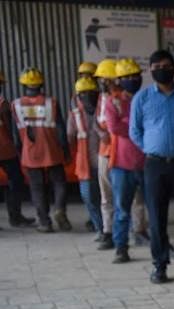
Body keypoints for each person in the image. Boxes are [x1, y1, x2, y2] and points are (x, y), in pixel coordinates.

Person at [131, 49, 174, 285]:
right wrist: (152, 148)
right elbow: (134, 131)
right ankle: (160, 265)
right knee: (156, 218)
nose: (161, 69)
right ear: (150, 70)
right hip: (155, 165)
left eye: (166, 65)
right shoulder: (142, 98)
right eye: (156, 66)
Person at [14, 67, 70, 233]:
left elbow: (15, 134)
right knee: (59, 182)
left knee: (37, 187)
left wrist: (20, 152)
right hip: (51, 149)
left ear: (24, 84)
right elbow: (60, 128)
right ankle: (59, 209)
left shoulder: (15, 105)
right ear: (41, 84)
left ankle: (45, 222)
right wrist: (65, 149)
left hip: (30, 152)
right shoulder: (51, 102)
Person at [106, 59, 146, 264]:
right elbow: (115, 128)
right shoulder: (112, 102)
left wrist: (129, 124)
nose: (132, 80)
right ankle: (121, 247)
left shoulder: (146, 97)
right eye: (127, 77)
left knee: (152, 208)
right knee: (122, 210)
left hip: (146, 162)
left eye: (135, 76)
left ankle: (156, 242)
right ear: (119, 80)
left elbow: (151, 125)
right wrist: (137, 126)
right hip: (122, 165)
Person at [68, 76, 104, 237]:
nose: (88, 96)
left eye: (91, 93)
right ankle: (100, 228)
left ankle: (109, 229)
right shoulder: (75, 114)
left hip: (106, 161)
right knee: (89, 198)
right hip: (85, 164)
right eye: (84, 93)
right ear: (78, 96)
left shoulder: (104, 108)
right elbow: (70, 135)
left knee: (108, 198)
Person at [0, 69, 35, 228]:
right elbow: (10, 127)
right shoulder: (3, 105)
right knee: (16, 181)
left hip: (6, 149)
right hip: (6, 150)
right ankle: (15, 217)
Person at [93, 59, 117, 246]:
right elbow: (96, 121)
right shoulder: (101, 98)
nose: (102, 82)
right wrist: (101, 133)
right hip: (104, 152)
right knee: (106, 195)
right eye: (100, 79)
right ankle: (108, 231)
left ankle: (137, 229)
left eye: (104, 79)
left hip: (121, 153)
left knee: (131, 196)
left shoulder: (122, 97)